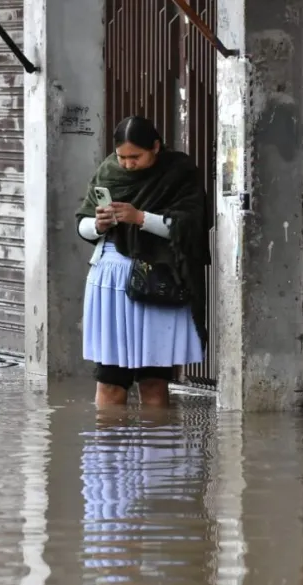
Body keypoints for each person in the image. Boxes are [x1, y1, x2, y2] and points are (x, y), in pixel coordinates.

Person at [76, 116, 211, 408]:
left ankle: (157, 451)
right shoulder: (108, 171)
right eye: (122, 157)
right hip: (110, 283)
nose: (127, 164)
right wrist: (97, 226)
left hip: (158, 283)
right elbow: (82, 225)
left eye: (135, 157)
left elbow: (191, 227)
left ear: (156, 146)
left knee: (154, 381)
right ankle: (110, 450)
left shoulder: (179, 172)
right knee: (110, 381)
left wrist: (140, 218)